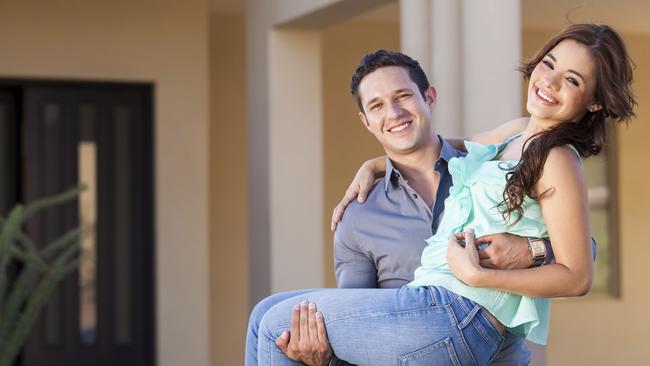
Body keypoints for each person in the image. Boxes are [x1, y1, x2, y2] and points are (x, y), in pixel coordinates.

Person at [248, 23, 636, 365]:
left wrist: (479, 276)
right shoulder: (517, 133)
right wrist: (376, 164)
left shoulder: (558, 158)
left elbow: (577, 274)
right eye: (549, 64)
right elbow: (446, 146)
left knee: (275, 326)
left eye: (573, 80)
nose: (550, 82)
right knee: (264, 313)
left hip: (460, 313)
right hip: (434, 305)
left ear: (595, 101)